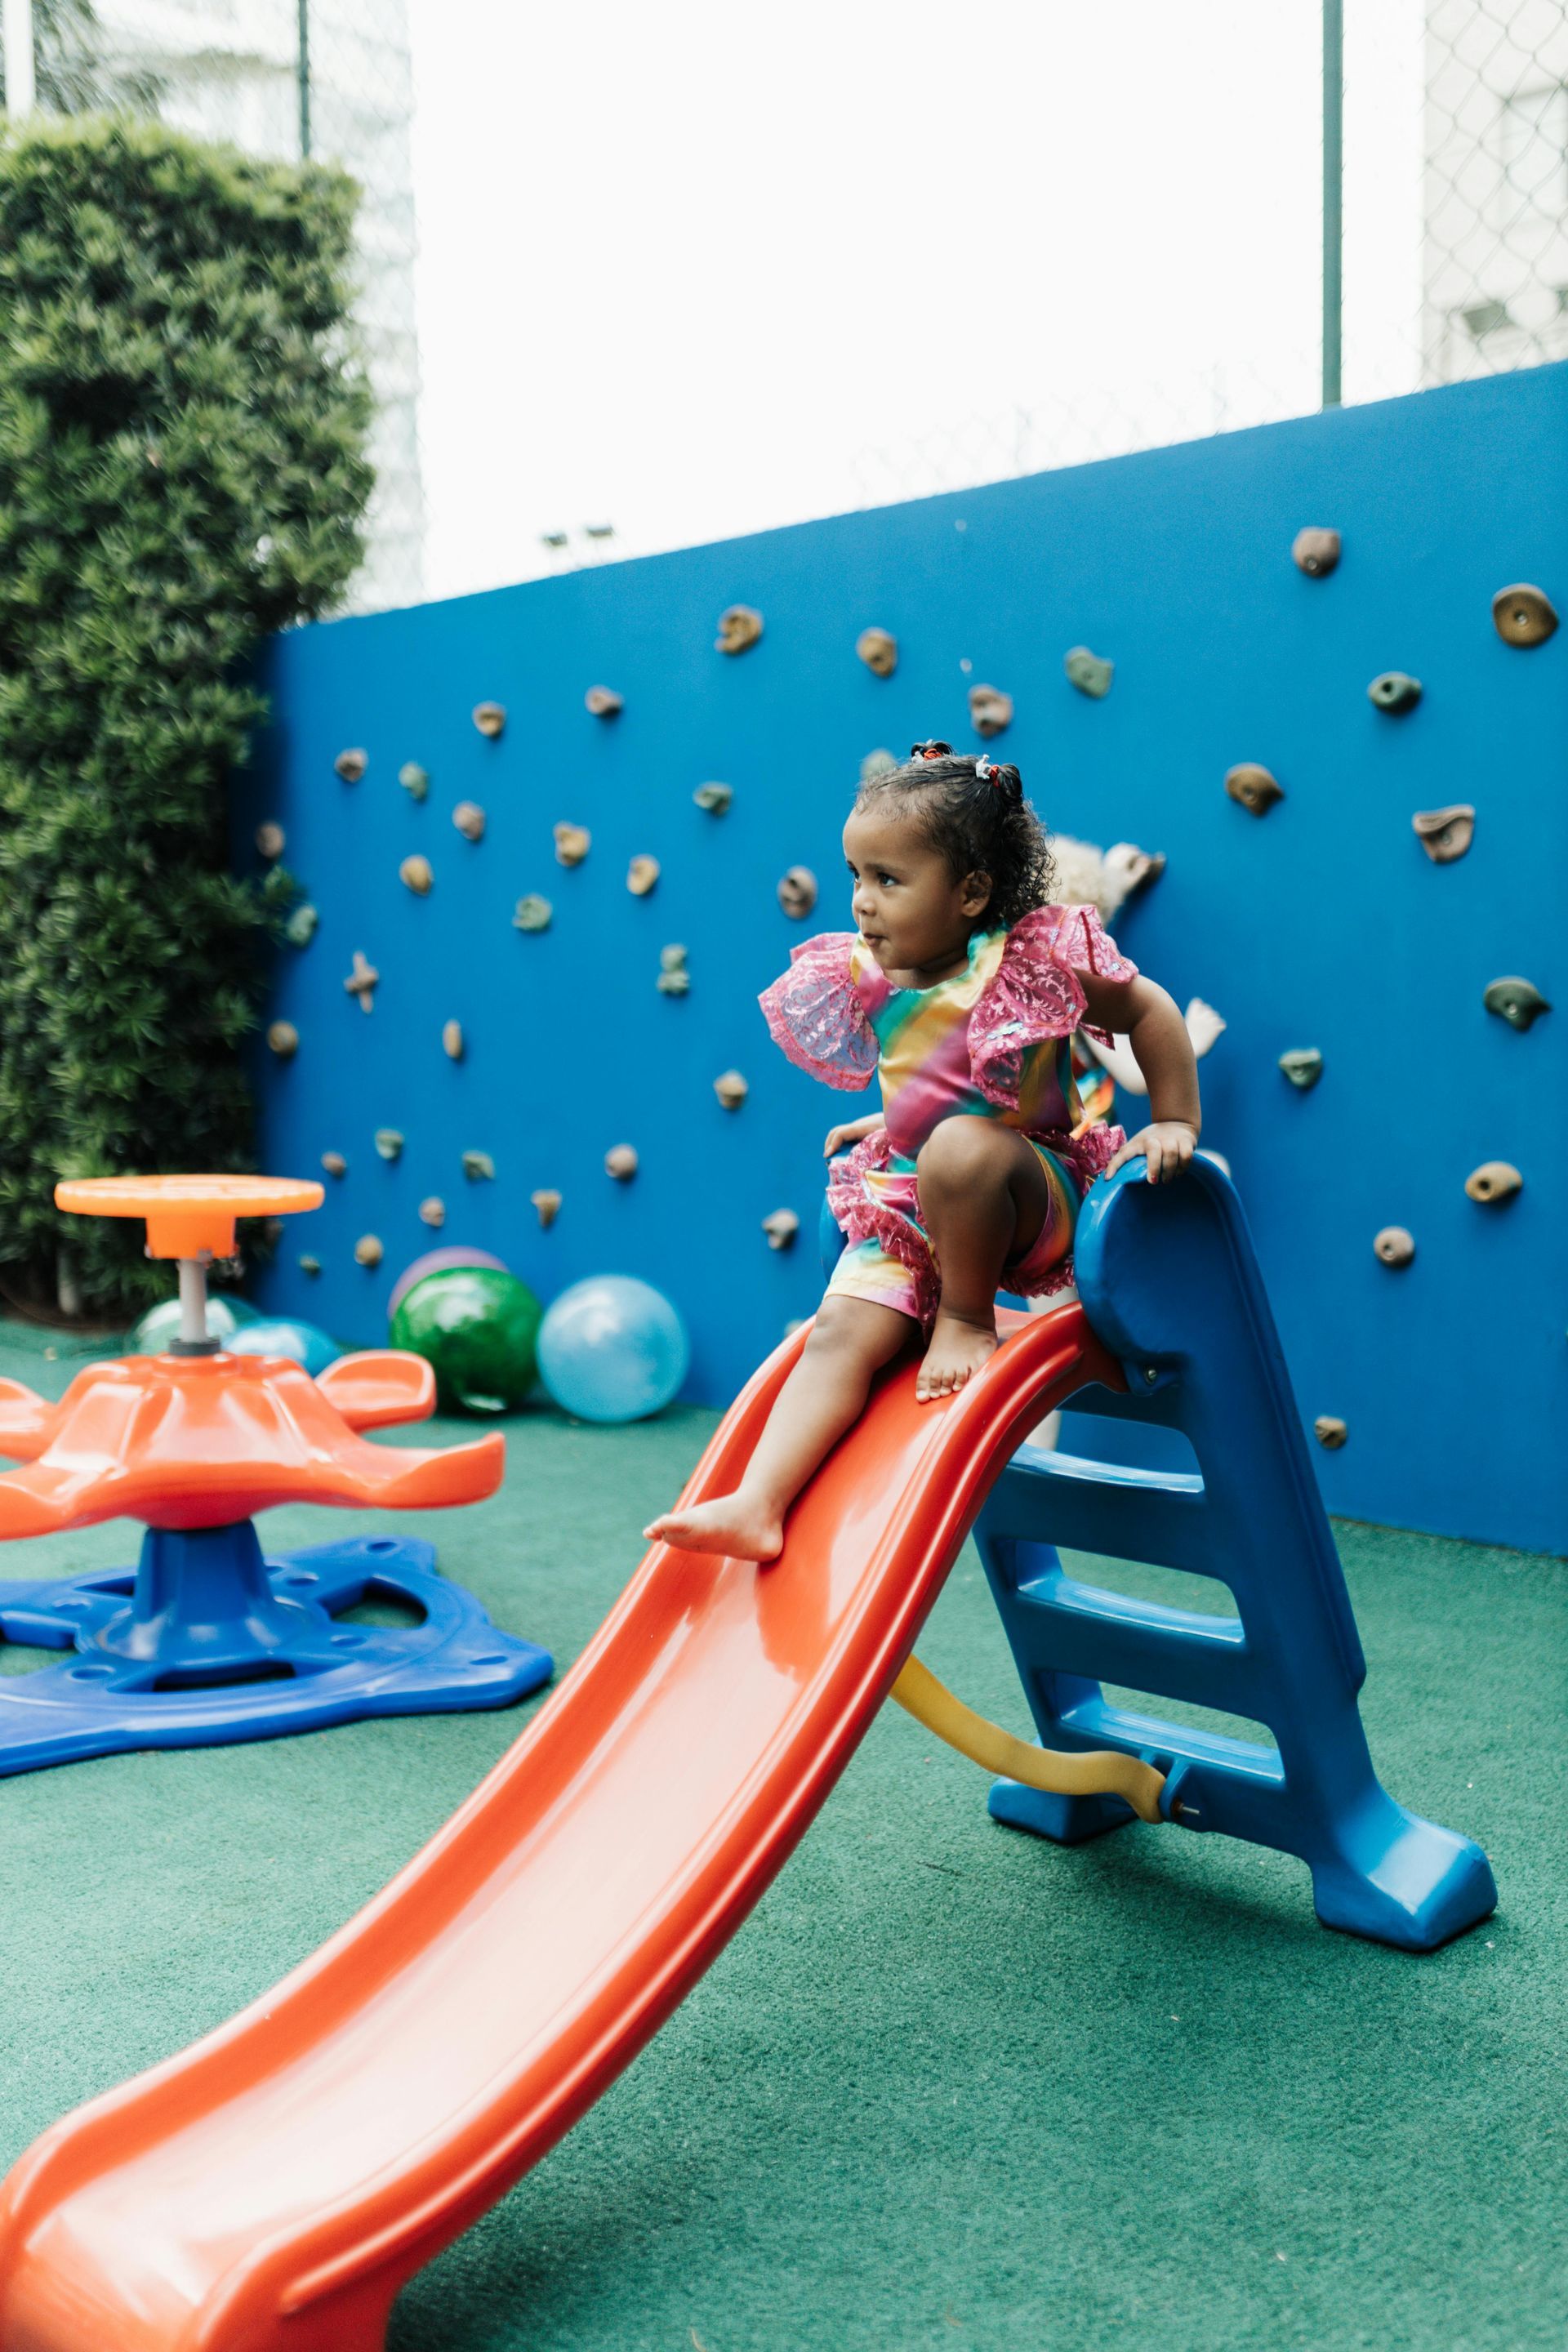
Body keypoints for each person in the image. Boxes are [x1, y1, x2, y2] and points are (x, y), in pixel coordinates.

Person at [644, 740, 1201, 1562]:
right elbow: (933, 1080)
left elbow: (1150, 1011)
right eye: (856, 876)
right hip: (919, 1202)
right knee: (836, 1333)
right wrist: (892, 1126)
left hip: (1027, 1190)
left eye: (889, 880)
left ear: (972, 891)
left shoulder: (1030, 958)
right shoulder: (873, 973)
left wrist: (1175, 1119)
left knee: (957, 1151)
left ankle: (966, 1320)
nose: (863, 903)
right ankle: (758, 1503)